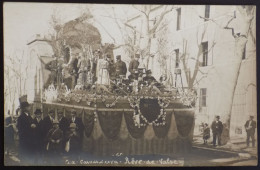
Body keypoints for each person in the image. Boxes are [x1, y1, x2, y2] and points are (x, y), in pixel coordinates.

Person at [16, 95, 35, 164]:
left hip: (30, 140)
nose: (29, 107)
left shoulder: (29, 116)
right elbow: (21, 129)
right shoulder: (21, 117)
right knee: (24, 159)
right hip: (25, 140)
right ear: (24, 108)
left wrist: (33, 125)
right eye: (28, 106)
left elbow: (32, 123)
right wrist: (31, 127)